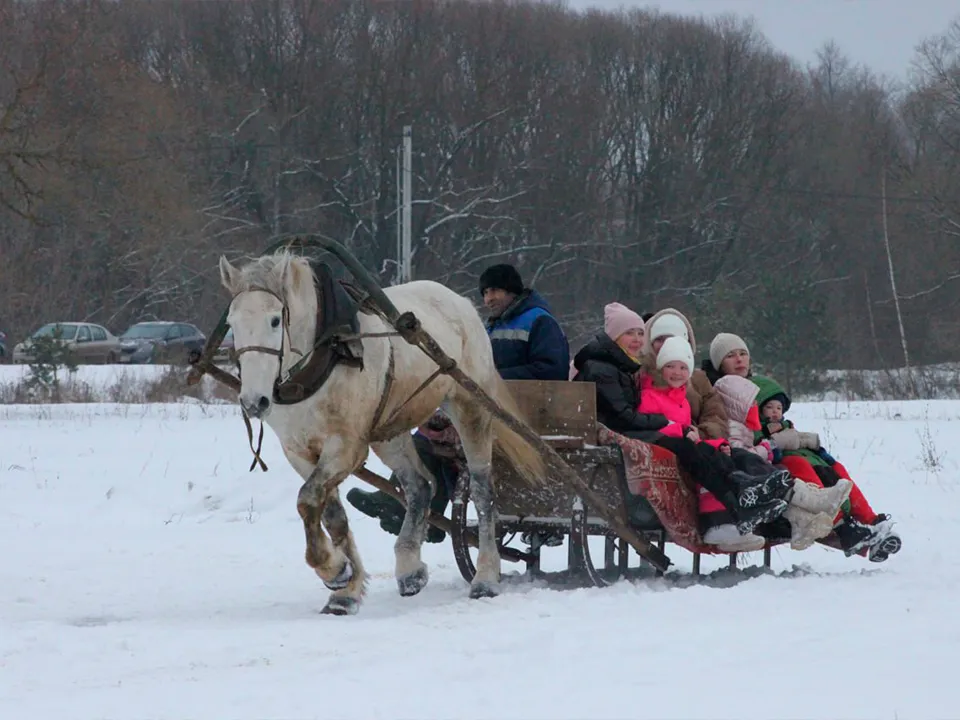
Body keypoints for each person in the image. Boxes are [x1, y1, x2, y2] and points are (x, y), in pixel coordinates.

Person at [346, 263, 571, 542]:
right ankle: (405, 505)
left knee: (442, 439)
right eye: (485, 293)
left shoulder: (539, 321)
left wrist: (492, 379)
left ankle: (404, 506)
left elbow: (553, 369)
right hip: (488, 402)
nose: (488, 299)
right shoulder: (491, 325)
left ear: (512, 291)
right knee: (429, 433)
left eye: (495, 291)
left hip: (526, 408)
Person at [705, 331, 901, 562]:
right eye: (731, 356)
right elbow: (742, 431)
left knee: (833, 469)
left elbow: (776, 421)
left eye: (743, 354)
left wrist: (799, 438)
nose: (739, 360)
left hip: (775, 451)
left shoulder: (759, 386)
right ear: (719, 363)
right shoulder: (722, 391)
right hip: (758, 459)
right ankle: (842, 525)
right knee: (800, 466)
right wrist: (773, 442)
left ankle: (870, 524)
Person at [636, 335, 791, 548]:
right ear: (660, 368)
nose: (677, 373)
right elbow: (649, 422)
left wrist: (717, 444)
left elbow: (691, 429)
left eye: (683, 367)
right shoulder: (650, 394)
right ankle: (735, 503)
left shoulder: (682, 399)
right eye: (670, 366)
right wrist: (681, 430)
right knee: (708, 460)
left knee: (725, 454)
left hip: (688, 445)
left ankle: (749, 495)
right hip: (666, 447)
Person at [713, 374, 853, 550]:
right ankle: (812, 502)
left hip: (756, 477)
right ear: (737, 404)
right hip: (746, 481)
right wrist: (768, 446)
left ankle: (803, 520)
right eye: (752, 402)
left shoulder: (745, 426)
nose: (756, 406)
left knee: (779, 476)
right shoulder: (733, 426)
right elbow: (739, 454)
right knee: (777, 477)